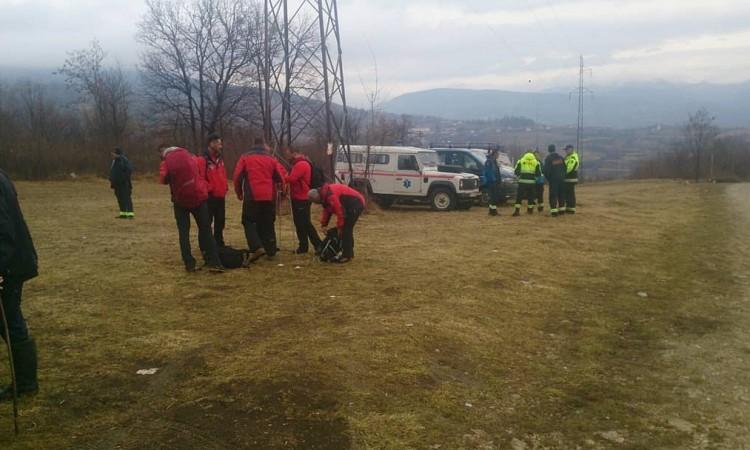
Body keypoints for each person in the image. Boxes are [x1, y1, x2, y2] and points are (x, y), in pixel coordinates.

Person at [0, 169, 39, 401]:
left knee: (10, 322)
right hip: (12, 263)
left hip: (9, 266)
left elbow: (3, 230)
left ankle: (25, 384)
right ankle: (25, 383)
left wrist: (1, 267)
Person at [159, 146, 223, 272]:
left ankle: (189, 264)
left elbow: (163, 179)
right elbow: (200, 173)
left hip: (180, 201)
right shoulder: (190, 156)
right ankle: (214, 261)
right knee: (206, 230)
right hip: (199, 197)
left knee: (184, 233)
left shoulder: (166, 162)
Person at [233, 138, 287, 259]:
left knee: (248, 221)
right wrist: (283, 191)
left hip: (252, 196)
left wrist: (239, 192)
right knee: (268, 222)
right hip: (269, 196)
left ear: (253, 145)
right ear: (263, 145)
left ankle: (256, 247)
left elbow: (237, 176)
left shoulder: (245, 157)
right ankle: (271, 250)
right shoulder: (271, 159)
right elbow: (280, 177)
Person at [308, 183, 366, 263]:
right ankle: (349, 252)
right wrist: (324, 224)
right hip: (351, 204)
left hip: (356, 203)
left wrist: (339, 227)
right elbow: (327, 210)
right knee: (346, 228)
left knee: (346, 229)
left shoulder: (331, 196)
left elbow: (340, 212)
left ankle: (346, 255)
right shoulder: (325, 194)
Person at [284, 147, 323, 253]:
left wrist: (282, 176)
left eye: (288, 153)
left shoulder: (301, 164)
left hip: (303, 197)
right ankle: (303, 246)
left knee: (305, 222)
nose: (286, 156)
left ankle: (318, 244)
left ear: (295, 153)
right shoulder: (297, 164)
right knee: (298, 222)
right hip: (296, 197)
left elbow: (292, 178)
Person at [196, 133, 228, 247]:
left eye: (221, 144)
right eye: (218, 144)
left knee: (220, 222)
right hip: (209, 197)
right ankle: (204, 245)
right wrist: (210, 188)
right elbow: (199, 178)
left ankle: (219, 243)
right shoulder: (202, 160)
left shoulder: (220, 159)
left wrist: (225, 187)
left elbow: (223, 174)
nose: (220, 146)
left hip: (220, 196)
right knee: (206, 223)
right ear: (211, 144)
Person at [512, 149, 541, 216]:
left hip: (522, 182)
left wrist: (519, 177)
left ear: (525, 153)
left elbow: (516, 171)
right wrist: (534, 179)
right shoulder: (536, 162)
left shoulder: (521, 161)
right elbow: (538, 174)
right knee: (531, 197)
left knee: (519, 197)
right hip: (532, 183)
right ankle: (530, 211)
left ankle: (517, 211)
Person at [109, 147, 134, 219]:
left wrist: (122, 179)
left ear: (117, 153)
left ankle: (130, 214)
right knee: (120, 200)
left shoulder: (123, 160)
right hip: (117, 185)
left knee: (126, 199)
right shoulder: (115, 161)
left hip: (124, 185)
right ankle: (123, 214)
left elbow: (129, 170)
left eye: (113, 153)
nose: (111, 155)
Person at [543, 144, 566, 217]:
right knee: (561, 194)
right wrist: (563, 176)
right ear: (555, 149)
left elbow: (546, 170)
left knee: (553, 195)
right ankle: (562, 210)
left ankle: (554, 212)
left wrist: (549, 179)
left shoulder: (548, 158)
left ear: (548, 150)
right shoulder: (561, 158)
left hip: (553, 180)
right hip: (562, 179)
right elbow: (565, 168)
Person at [483, 148, 502, 216]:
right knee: (493, 197)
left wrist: (499, 180)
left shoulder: (494, 161)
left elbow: (497, 172)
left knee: (494, 197)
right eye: (497, 154)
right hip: (491, 182)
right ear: (494, 154)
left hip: (495, 181)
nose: (498, 155)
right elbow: (489, 173)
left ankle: (492, 211)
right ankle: (493, 212)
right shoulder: (489, 161)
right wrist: (494, 180)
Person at [562, 145, 580, 214]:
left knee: (570, 194)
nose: (566, 151)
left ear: (571, 149)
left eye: (567, 150)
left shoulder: (573, 157)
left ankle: (571, 209)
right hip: (567, 179)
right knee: (567, 194)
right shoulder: (567, 157)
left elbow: (569, 168)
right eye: (565, 150)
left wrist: (562, 173)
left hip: (571, 178)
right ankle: (568, 207)